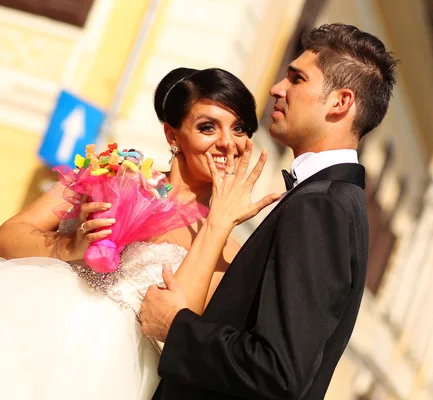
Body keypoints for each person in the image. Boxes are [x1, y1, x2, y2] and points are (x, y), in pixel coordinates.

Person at [141, 23, 398, 399]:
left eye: (296, 79)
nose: (278, 88)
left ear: (340, 103)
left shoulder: (322, 206)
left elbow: (279, 371)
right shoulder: (332, 200)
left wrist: (176, 327)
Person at [0, 67, 278, 399]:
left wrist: (218, 223)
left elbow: (177, 321)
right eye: (208, 127)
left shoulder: (228, 252)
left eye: (239, 129)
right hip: (30, 330)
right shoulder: (112, 172)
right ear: (173, 136)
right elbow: (9, 234)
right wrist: (69, 246)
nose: (226, 143)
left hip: (111, 375)